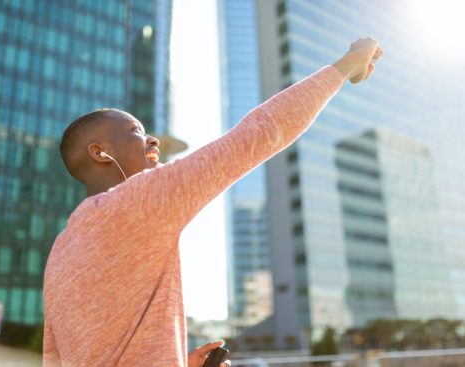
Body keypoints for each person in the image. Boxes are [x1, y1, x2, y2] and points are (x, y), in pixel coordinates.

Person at [42, 38, 383, 366]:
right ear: (100, 153)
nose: (152, 139)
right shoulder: (137, 201)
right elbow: (261, 133)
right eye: (134, 130)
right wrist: (348, 63)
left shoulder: (60, 251)